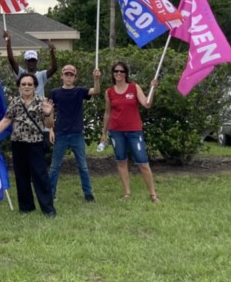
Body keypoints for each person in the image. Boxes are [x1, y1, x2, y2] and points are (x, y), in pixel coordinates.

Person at [0, 73, 56, 217]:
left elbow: (49, 124)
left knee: (40, 176)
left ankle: (48, 209)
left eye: (30, 84)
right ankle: (26, 208)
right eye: (24, 84)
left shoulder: (42, 101)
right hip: (18, 143)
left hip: (35, 143)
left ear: (34, 87)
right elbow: (6, 120)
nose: (27, 87)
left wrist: (47, 113)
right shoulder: (15, 102)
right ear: (19, 86)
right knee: (21, 176)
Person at [101, 61, 161, 203]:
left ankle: (153, 194)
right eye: (116, 71)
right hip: (116, 132)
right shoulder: (109, 92)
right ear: (113, 74)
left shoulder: (134, 88)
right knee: (121, 161)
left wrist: (153, 89)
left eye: (122, 71)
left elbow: (147, 104)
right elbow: (107, 113)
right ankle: (127, 193)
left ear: (126, 74)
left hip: (134, 131)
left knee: (143, 162)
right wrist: (103, 133)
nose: (119, 74)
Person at [48, 65, 101, 202]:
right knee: (55, 166)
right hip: (60, 134)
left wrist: (96, 79)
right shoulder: (55, 92)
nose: (69, 77)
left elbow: (96, 91)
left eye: (71, 75)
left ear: (75, 77)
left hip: (77, 134)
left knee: (83, 166)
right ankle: (50, 193)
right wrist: (50, 130)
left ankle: (88, 194)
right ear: (62, 76)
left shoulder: (80, 91)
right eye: (66, 74)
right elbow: (50, 112)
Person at [4, 31, 57, 97]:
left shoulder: (41, 75)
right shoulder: (22, 74)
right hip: (25, 106)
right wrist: (8, 43)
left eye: (33, 61)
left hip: (38, 106)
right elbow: (11, 60)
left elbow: (54, 68)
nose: (31, 63)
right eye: (29, 61)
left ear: (36, 61)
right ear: (25, 62)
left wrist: (51, 51)